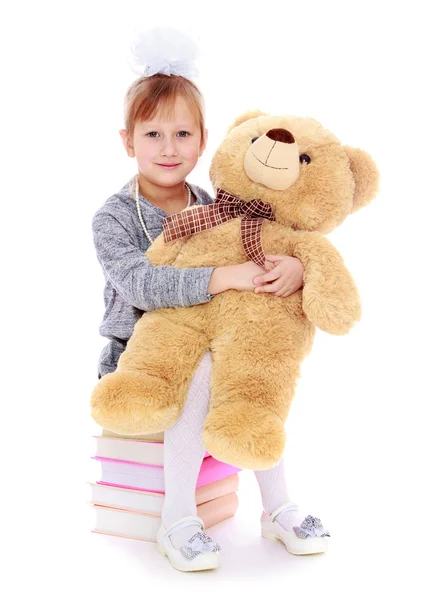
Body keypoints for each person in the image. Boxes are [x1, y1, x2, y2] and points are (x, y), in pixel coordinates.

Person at [92, 32, 329, 572]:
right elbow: (141, 287)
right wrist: (225, 277)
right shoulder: (114, 217)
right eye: (153, 134)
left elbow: (275, 244)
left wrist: (295, 268)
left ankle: (278, 505)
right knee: (204, 367)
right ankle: (176, 516)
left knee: (257, 365)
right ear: (128, 141)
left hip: (218, 334)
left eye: (182, 133)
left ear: (203, 142)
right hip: (142, 353)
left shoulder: (218, 205)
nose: (168, 148)